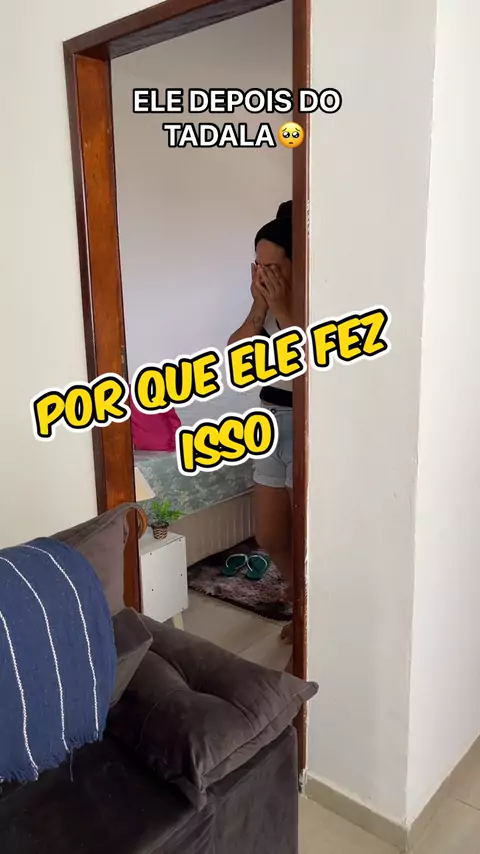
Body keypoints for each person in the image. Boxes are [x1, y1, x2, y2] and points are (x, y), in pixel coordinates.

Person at [228, 202, 294, 643]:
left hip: (305, 421)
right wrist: (258, 307)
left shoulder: (311, 297)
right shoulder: (265, 305)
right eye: (258, 266)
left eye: (272, 266)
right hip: (270, 418)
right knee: (268, 534)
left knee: (306, 534)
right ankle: (298, 595)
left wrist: (284, 307)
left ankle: (306, 617)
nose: (264, 274)